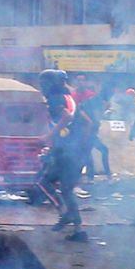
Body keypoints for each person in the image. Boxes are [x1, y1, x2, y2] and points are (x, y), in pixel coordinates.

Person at [33, 68, 90, 241]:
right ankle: (79, 230)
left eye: (43, 83)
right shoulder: (70, 98)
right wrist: (80, 143)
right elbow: (88, 122)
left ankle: (63, 212)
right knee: (67, 190)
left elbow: (66, 117)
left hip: (64, 152)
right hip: (74, 152)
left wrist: (49, 137)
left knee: (42, 182)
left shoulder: (54, 99)